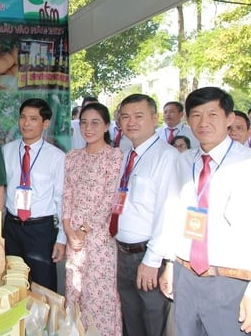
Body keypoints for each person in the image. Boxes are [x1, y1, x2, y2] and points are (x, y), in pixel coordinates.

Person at [159, 87, 251, 335]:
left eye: (212, 114)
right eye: (196, 115)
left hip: (231, 281)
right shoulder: (184, 161)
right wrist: (171, 263)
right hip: (186, 275)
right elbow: (174, 214)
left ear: (230, 118)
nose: (203, 122)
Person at [111, 93, 178, 336]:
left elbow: (167, 213)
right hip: (122, 252)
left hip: (148, 256)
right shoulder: (127, 154)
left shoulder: (166, 156)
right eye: (125, 117)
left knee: (152, 320)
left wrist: (152, 261)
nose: (131, 122)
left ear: (154, 118)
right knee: (131, 320)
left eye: (139, 116)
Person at [62, 102, 123, 335]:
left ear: (107, 126)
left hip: (99, 239)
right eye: (84, 122)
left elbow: (110, 199)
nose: (88, 128)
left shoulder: (114, 156)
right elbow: (66, 194)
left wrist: (83, 231)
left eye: (95, 122)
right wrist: (69, 230)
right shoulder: (73, 157)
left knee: (100, 296)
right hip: (74, 240)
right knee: (75, 291)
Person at [2, 98, 66, 291]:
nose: (26, 123)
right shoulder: (7, 150)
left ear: (45, 124)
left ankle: (44, 322)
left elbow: (61, 198)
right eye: (22, 117)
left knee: (43, 285)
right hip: (12, 227)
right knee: (13, 283)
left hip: (40, 230)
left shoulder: (56, 157)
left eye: (33, 119)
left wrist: (61, 239)